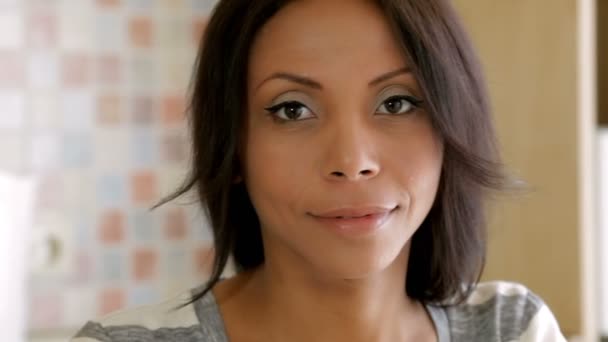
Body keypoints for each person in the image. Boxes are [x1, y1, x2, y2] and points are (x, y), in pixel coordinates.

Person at [73, 0, 567, 341]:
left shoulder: (513, 329)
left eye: (396, 102)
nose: (352, 162)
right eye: (292, 110)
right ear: (233, 146)